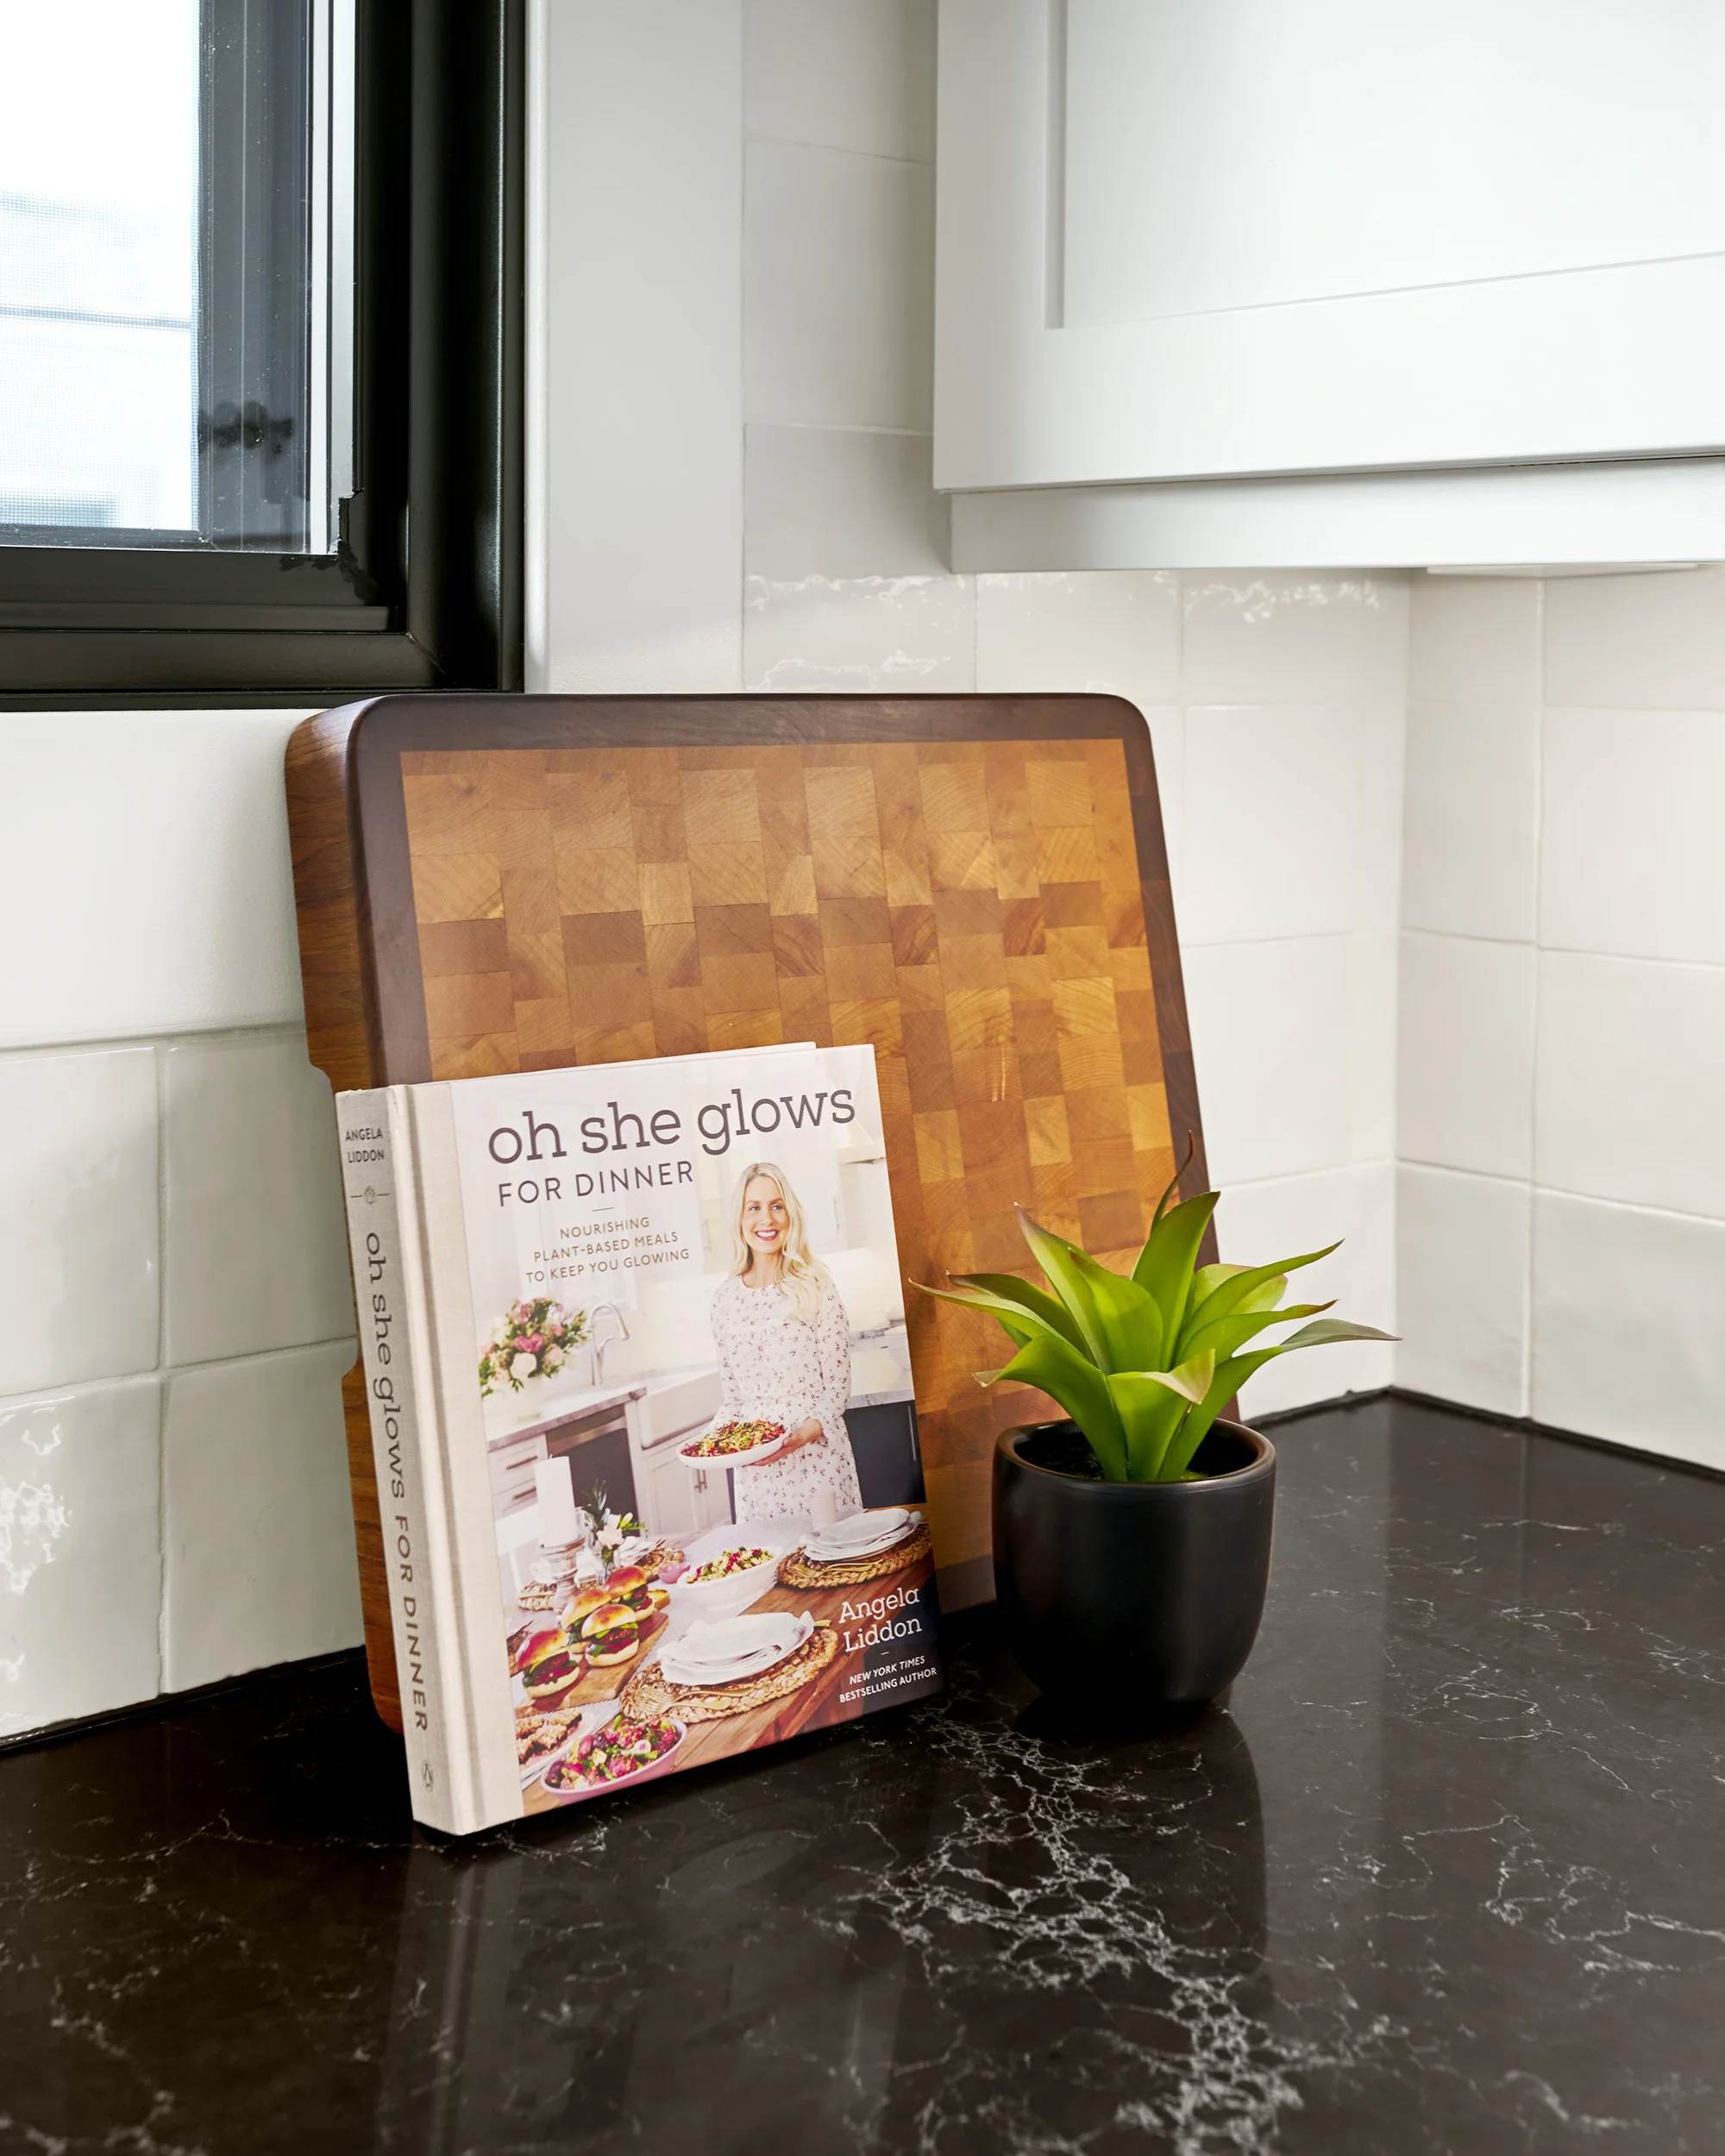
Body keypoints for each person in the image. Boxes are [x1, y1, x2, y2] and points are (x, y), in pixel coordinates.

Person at [706, 1161, 862, 1523]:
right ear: (739, 1220)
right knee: (772, 1569)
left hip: (817, 1457)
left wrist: (799, 1437)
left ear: (790, 1215)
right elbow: (733, 1399)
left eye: (777, 1206)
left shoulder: (816, 1285)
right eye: (754, 1208)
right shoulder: (724, 1299)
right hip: (757, 1469)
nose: (767, 1220)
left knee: (836, 1567)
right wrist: (709, 1441)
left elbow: (837, 1388)